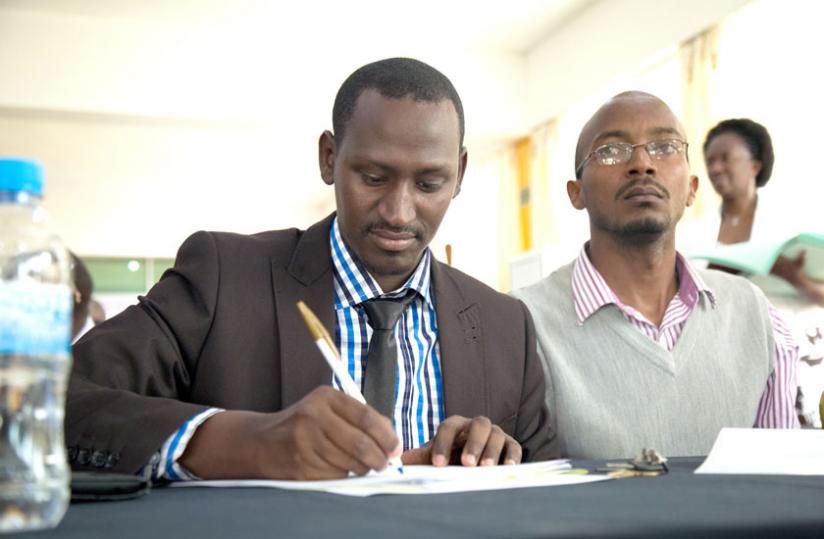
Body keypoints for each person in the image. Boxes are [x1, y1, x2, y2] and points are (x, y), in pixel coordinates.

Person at [67, 57, 557, 480]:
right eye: (373, 177)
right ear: (328, 158)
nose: (399, 212)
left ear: (461, 174)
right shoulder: (223, 279)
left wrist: (495, 457)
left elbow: (554, 485)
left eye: (430, 184)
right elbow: (56, 399)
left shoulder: (504, 325)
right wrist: (246, 442)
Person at [512, 91, 799, 460]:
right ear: (576, 192)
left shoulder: (755, 316)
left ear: (692, 189)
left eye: (664, 147)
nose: (642, 164)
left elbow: (779, 487)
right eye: (611, 151)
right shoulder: (523, 322)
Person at [702, 119, 824, 427]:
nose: (716, 168)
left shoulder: (795, 219)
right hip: (727, 351)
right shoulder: (696, 230)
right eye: (710, 161)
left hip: (798, 348)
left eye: (725, 158)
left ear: (755, 165)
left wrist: (791, 275)